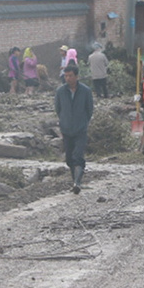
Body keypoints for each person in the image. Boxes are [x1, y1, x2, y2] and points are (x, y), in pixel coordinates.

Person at [54, 64, 94, 194]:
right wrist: (64, 121)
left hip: (80, 129)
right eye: (66, 76)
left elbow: (89, 110)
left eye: (70, 76)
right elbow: (58, 109)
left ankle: (78, 182)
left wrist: (82, 122)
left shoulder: (85, 91)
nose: (68, 78)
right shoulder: (60, 91)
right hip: (66, 129)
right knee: (69, 158)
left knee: (78, 156)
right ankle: (75, 181)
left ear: (76, 76)